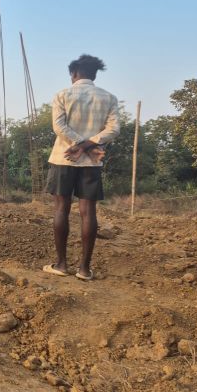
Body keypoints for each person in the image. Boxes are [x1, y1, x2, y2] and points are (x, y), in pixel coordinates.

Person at [43, 54, 119, 281]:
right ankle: (85, 270)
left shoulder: (62, 95)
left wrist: (78, 144)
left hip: (63, 159)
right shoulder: (109, 98)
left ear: (74, 73)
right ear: (94, 75)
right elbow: (114, 130)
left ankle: (61, 264)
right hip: (92, 163)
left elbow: (59, 127)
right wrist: (89, 146)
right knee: (89, 212)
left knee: (61, 209)